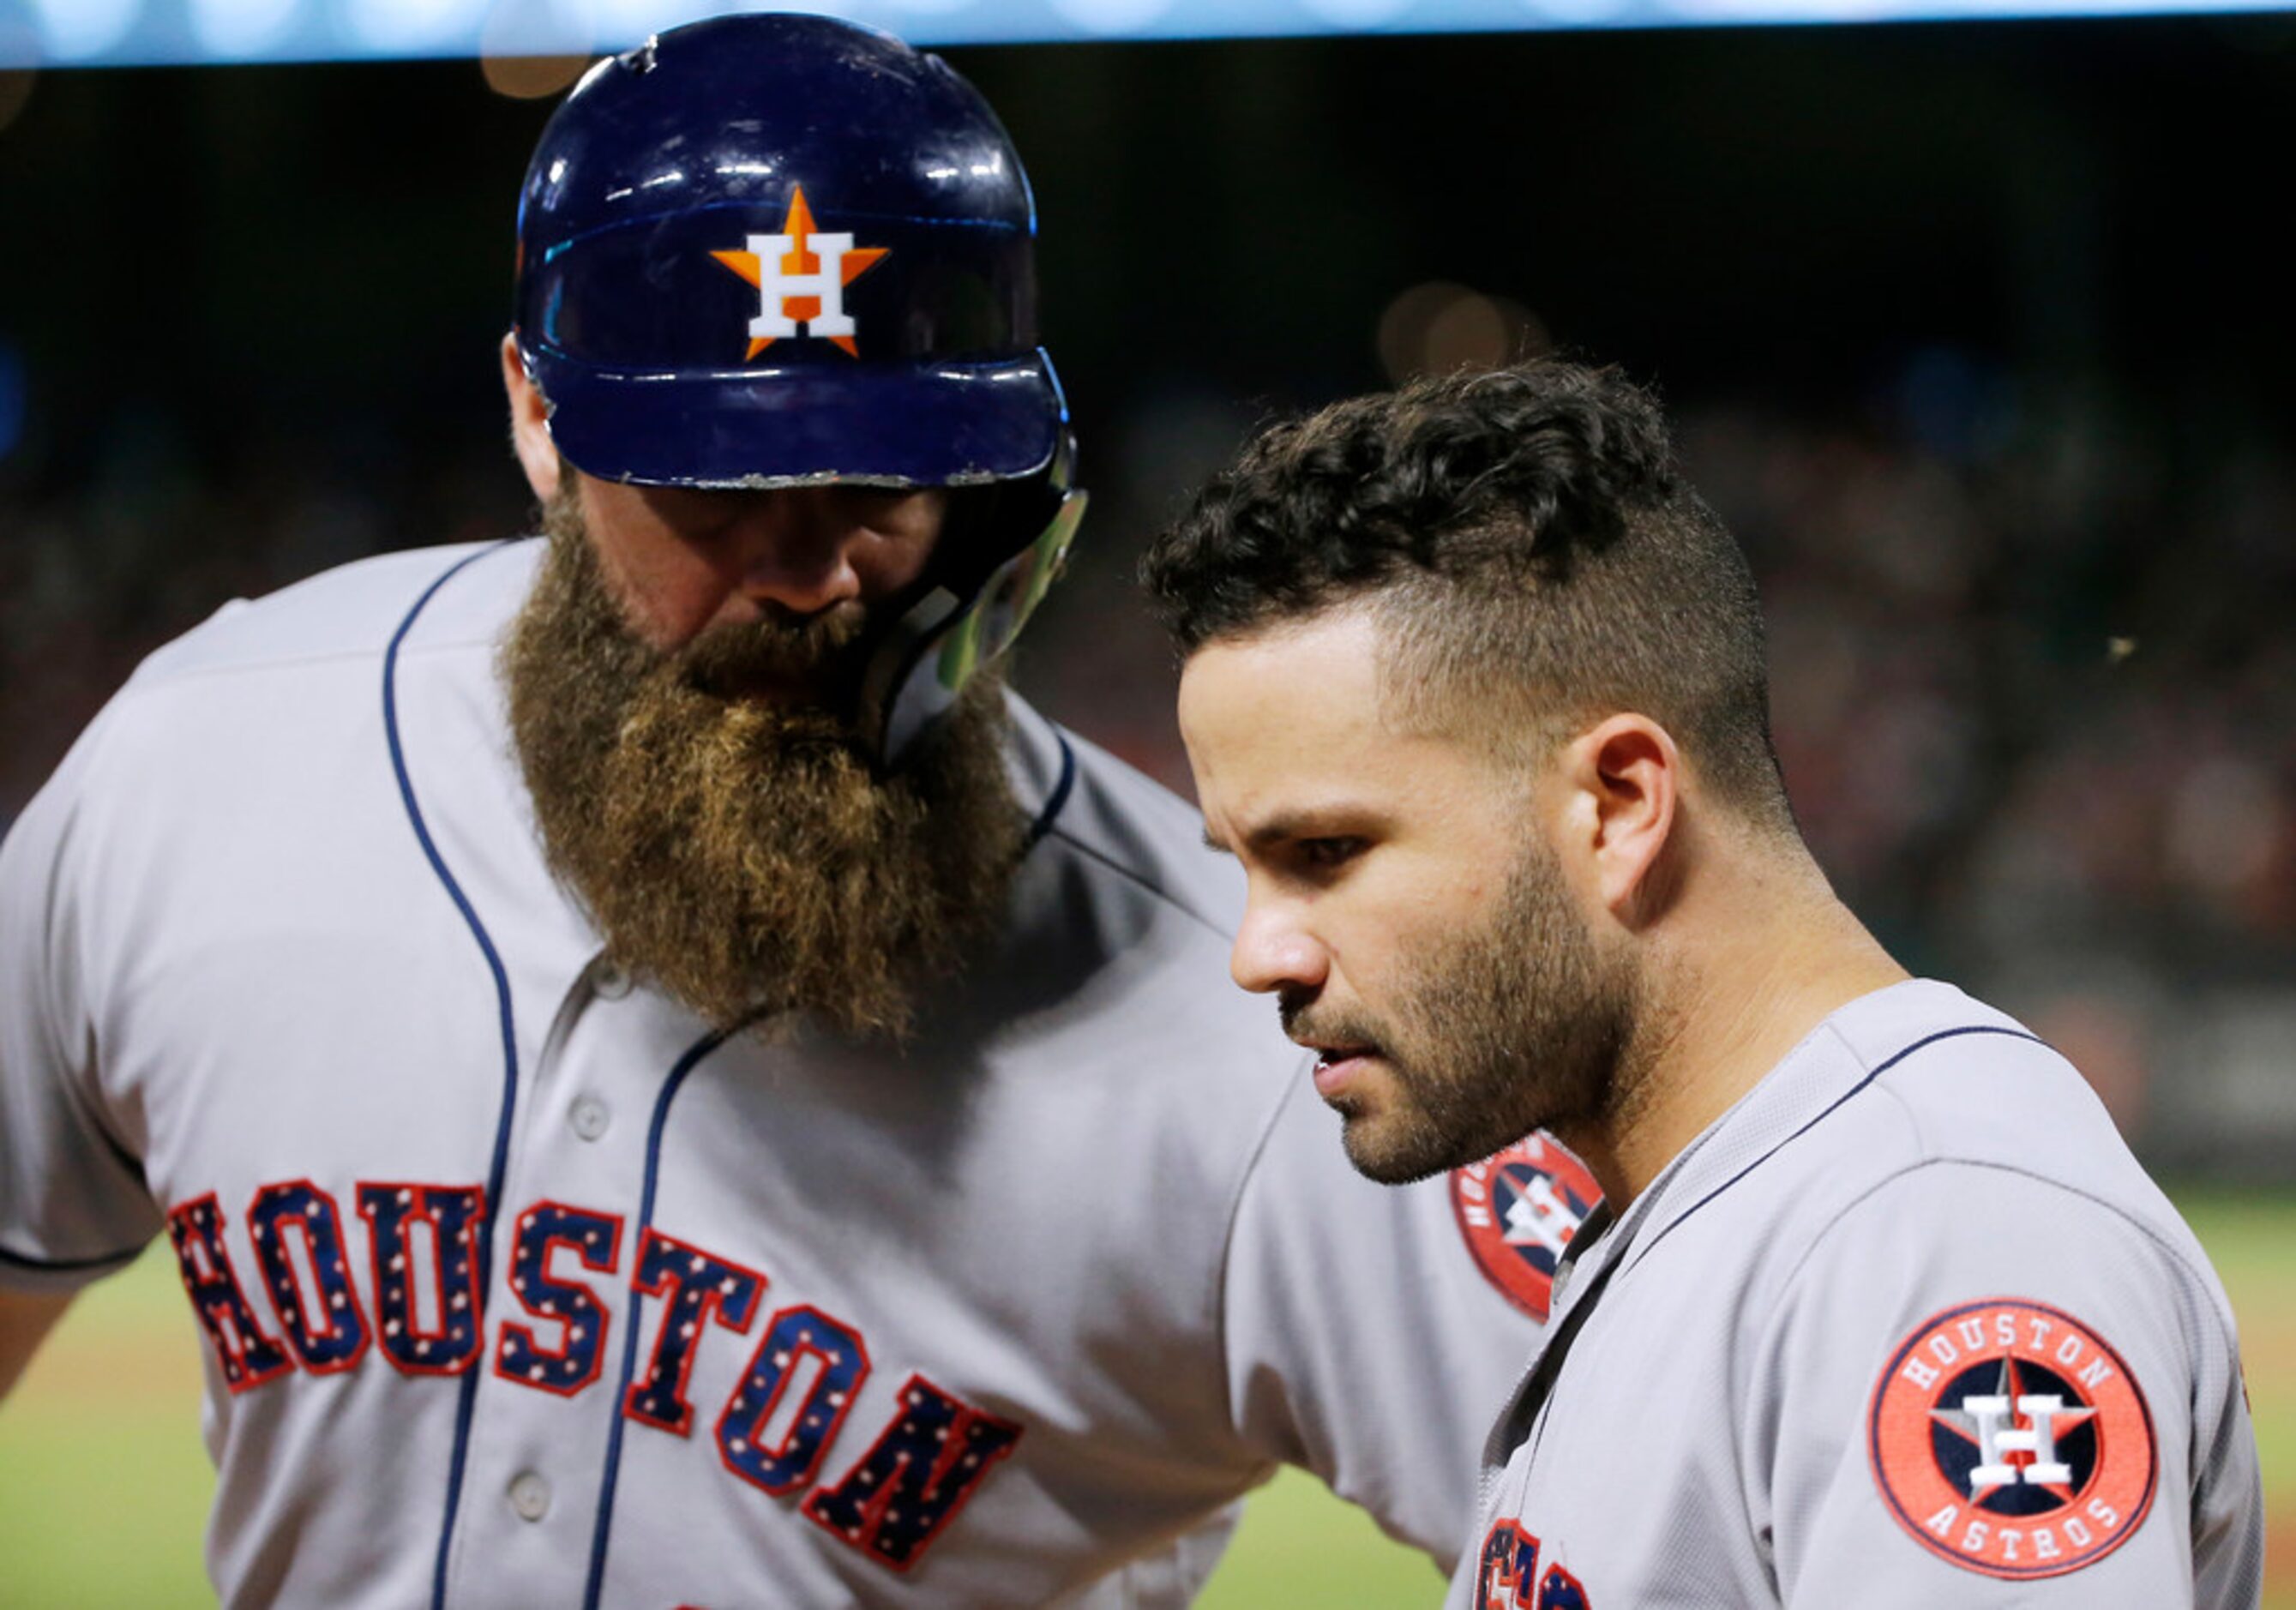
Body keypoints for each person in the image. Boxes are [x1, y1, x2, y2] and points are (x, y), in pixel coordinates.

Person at [0, 17, 1555, 1606]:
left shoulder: (1245, 1025)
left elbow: (1677, 1531)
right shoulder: (204, 764)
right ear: (541, 419)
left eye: (882, 487)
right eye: (716, 491)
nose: (811, 574)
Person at [1141, 357, 2264, 1607]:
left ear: (1620, 801)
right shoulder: (1741, 1201)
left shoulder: (1927, 1234)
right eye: (1243, 868)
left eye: (1326, 853)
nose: (1259, 952)